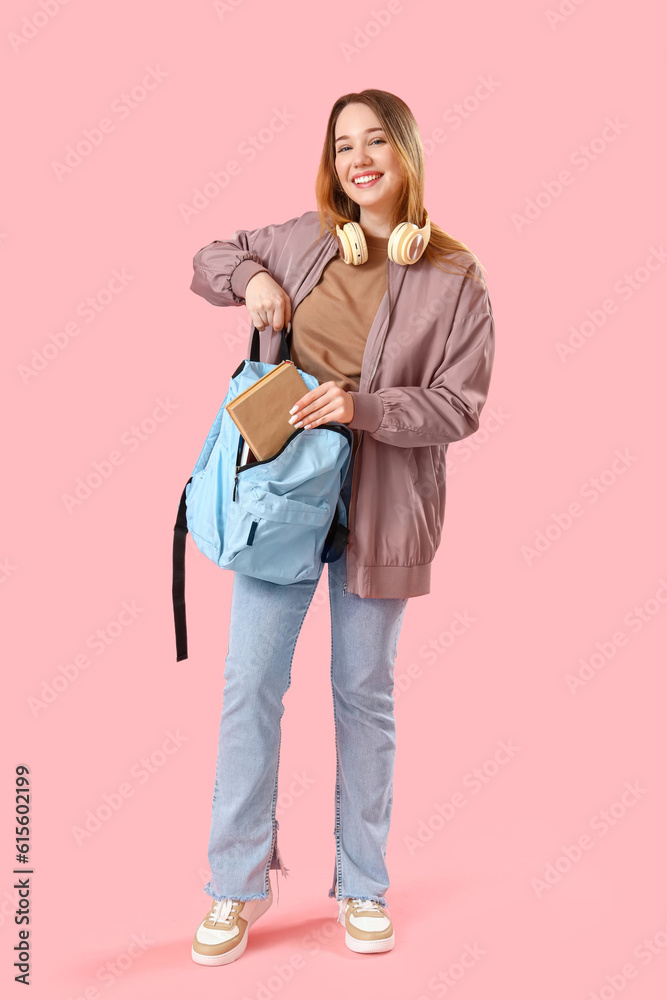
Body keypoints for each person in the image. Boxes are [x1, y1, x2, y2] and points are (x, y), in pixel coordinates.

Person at [189, 89, 495, 966]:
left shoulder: (455, 276)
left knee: (363, 699)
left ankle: (362, 884)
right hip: (281, 506)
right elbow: (211, 255)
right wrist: (252, 280)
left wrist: (358, 407)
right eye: (342, 144)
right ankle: (234, 886)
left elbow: (458, 407)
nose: (358, 159)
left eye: (375, 142)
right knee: (250, 686)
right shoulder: (305, 240)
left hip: (385, 514)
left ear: (404, 153)